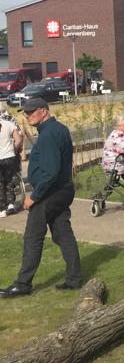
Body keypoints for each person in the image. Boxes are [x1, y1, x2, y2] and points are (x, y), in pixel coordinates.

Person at [0, 98, 81, 297]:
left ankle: (23, 284)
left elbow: (50, 172)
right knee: (63, 234)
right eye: (25, 113)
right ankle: (74, 279)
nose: (27, 116)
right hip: (61, 189)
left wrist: (33, 197)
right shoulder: (57, 129)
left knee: (32, 237)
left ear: (44, 111)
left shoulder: (50, 134)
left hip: (50, 193)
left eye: (30, 112)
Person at [0, 110, 24, 216]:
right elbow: (18, 140)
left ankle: (2, 207)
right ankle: (10, 204)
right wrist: (13, 150)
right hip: (9, 157)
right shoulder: (9, 124)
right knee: (9, 181)